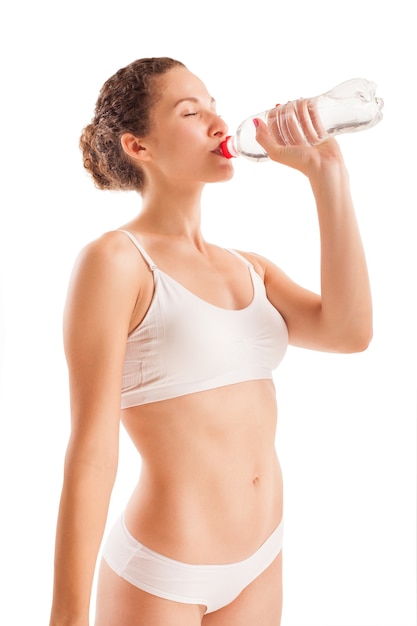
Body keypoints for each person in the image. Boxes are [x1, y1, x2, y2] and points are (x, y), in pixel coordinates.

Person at [48, 57, 373, 626]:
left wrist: (327, 178)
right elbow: (93, 450)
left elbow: (349, 333)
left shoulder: (249, 268)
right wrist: (66, 617)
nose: (221, 124)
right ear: (138, 147)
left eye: (216, 107)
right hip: (162, 573)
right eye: (192, 112)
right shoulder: (117, 261)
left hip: (259, 559)